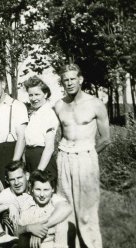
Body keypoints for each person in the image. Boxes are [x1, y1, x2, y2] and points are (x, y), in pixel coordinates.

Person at [54, 64, 110, 248]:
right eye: (65, 80)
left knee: (87, 213)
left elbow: (105, 139)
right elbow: (60, 135)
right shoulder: (59, 105)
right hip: (65, 158)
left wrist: (88, 156)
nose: (69, 83)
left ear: (80, 79)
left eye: (72, 79)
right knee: (65, 209)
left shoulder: (95, 104)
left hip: (86, 158)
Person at [0, 161, 70, 245]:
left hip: (45, 230)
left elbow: (65, 208)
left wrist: (40, 228)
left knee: (63, 224)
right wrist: (9, 205)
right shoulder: (7, 195)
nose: (16, 183)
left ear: (27, 176)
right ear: (7, 180)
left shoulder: (39, 187)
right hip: (23, 236)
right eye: (12, 179)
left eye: (19, 177)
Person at [0, 72, 28, 182]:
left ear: (3, 84)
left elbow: (22, 137)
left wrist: (15, 163)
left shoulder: (17, 106)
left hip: (8, 153)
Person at [16, 170, 71, 248]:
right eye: (38, 189)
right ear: (31, 189)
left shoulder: (57, 211)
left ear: (53, 189)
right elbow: (15, 231)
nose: (42, 194)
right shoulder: (27, 206)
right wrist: (29, 228)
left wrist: (40, 231)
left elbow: (61, 244)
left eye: (46, 190)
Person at [24, 76, 59, 177]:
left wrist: (39, 170)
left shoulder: (48, 114)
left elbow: (49, 148)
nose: (33, 98)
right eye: (31, 95)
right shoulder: (36, 113)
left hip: (43, 161)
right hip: (31, 158)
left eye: (37, 94)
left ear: (45, 94)